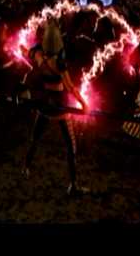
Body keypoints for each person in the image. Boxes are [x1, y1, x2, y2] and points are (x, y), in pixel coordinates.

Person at [21, 21, 90, 196]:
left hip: (45, 104)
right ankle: (73, 185)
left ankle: (25, 167)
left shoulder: (38, 54)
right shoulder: (59, 63)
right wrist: (83, 104)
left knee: (35, 138)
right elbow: (70, 87)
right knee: (71, 147)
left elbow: (24, 52)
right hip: (60, 107)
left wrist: (23, 49)